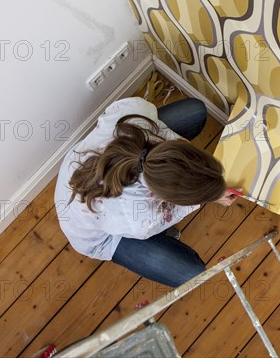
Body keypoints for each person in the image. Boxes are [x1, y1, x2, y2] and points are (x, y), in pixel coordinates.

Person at [54, 97, 239, 287]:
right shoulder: (140, 220)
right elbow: (168, 213)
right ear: (165, 198)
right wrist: (206, 195)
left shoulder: (136, 113)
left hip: (81, 175)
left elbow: (169, 140)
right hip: (100, 234)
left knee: (194, 110)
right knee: (190, 274)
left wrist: (199, 177)